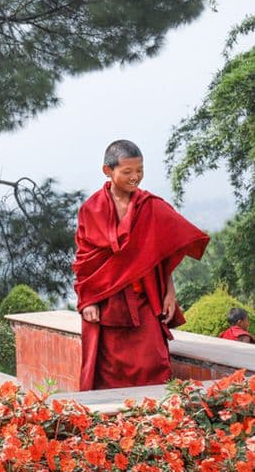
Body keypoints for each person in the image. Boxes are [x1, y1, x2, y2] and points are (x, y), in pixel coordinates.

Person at [73, 140, 210, 390]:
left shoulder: (151, 206)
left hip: (145, 302)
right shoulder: (91, 209)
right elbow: (85, 259)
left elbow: (163, 253)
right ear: (108, 171)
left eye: (140, 170)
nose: (135, 177)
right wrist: (88, 299)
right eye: (127, 172)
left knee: (154, 365)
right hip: (108, 304)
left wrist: (170, 292)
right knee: (107, 375)